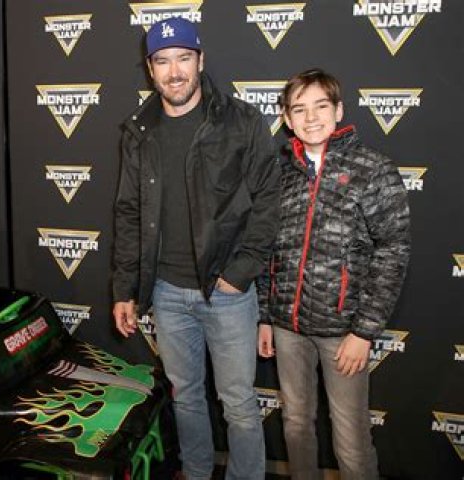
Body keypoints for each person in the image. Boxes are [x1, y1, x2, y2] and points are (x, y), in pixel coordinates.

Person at [112, 17, 280, 480]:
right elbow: (128, 211)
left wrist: (239, 273)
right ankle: (198, 473)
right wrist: (124, 288)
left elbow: (269, 203)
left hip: (227, 293)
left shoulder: (242, 122)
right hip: (166, 292)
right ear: (150, 70)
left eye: (184, 58)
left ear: (201, 61)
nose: (175, 72)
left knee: (239, 404)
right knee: (185, 397)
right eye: (163, 61)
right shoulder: (139, 131)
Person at [257, 68, 410, 480]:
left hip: (343, 333)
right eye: (299, 109)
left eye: (320, 106)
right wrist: (265, 317)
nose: (311, 118)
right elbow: (266, 249)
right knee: (295, 425)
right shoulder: (279, 173)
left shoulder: (372, 169)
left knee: (351, 440)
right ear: (286, 118)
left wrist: (364, 332)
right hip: (287, 328)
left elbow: (393, 250)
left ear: (338, 110)